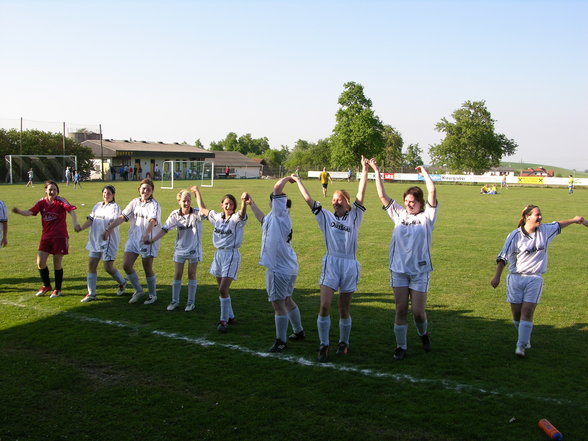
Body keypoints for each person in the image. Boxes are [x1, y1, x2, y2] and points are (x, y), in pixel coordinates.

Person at [292, 157, 368, 362]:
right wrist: (298, 181)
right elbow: (309, 200)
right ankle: (324, 344)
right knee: (324, 305)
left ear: (346, 201)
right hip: (331, 263)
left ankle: (344, 343)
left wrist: (364, 169)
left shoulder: (355, 216)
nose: (335, 202)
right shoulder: (326, 216)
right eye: (333, 200)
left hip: (350, 264)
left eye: (338, 199)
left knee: (344, 308)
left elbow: (361, 194)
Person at [367, 160, 438, 361]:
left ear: (420, 203)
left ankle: (423, 334)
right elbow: (382, 195)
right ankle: (401, 346)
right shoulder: (398, 213)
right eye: (406, 200)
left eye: (412, 201)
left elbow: (432, 193)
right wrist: (376, 171)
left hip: (419, 271)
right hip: (398, 270)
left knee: (417, 312)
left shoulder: (427, 217)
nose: (409, 204)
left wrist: (425, 173)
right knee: (400, 309)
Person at [490, 205, 584, 358]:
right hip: (515, 277)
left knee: (527, 311)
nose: (540, 217)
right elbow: (502, 258)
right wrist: (497, 277)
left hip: (535, 278)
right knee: (516, 314)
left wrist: (574, 220)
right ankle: (524, 337)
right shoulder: (515, 236)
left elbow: (559, 224)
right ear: (527, 217)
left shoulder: (545, 231)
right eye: (537, 215)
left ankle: (520, 346)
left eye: (540, 215)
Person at [246, 176, 305, 352]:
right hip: (288, 266)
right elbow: (262, 220)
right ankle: (299, 331)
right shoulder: (274, 218)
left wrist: (289, 178)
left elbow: (277, 188)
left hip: (279, 267)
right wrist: (251, 204)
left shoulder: (280, 213)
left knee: (278, 304)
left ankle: (281, 341)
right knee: (287, 300)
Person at [12, 180, 79, 298]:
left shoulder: (60, 201)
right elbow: (30, 211)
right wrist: (19, 212)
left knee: (57, 263)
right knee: (40, 262)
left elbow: (71, 211)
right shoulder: (41, 202)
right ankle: (46, 285)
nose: (52, 192)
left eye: (54, 190)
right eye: (50, 189)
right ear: (45, 190)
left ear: (57, 191)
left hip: (60, 236)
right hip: (46, 237)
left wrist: (75, 224)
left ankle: (58, 289)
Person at [144, 188, 206, 312]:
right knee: (177, 274)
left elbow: (204, 211)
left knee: (191, 274)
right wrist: (153, 239)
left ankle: (190, 303)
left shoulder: (196, 213)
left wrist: (197, 193)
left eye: (188, 201)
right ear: (179, 201)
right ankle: (175, 301)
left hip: (194, 250)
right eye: (184, 201)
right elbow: (165, 229)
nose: (187, 203)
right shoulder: (175, 215)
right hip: (180, 250)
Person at [102, 178, 162, 305]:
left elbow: (153, 221)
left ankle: (152, 295)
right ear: (139, 189)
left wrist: (146, 234)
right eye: (143, 188)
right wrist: (109, 228)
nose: (145, 191)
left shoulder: (154, 205)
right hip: (133, 238)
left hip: (147, 240)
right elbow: (122, 217)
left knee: (147, 267)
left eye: (149, 189)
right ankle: (139, 290)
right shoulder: (135, 202)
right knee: (126, 265)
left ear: (152, 191)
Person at [196, 191, 248, 332]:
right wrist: (197, 192)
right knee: (222, 290)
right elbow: (203, 209)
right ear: (222, 205)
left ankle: (223, 320)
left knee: (223, 289)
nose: (228, 206)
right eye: (226, 203)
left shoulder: (236, 218)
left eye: (231, 204)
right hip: (219, 254)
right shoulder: (217, 217)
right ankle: (230, 316)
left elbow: (242, 214)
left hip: (231, 254)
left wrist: (244, 201)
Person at [74, 185, 127, 302]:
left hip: (108, 241)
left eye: (109, 193)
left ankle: (122, 282)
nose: (106, 195)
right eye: (104, 193)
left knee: (108, 268)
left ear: (113, 195)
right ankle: (91, 293)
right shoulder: (97, 205)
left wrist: (107, 232)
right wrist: (81, 228)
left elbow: (114, 221)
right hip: (95, 240)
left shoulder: (115, 207)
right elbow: (90, 220)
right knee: (91, 265)